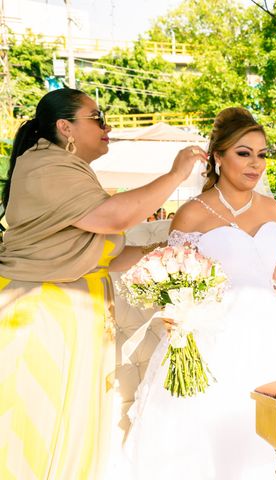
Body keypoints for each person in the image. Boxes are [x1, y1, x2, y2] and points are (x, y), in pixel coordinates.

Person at [122, 107, 276, 479]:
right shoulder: (192, 214)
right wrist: (179, 324)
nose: (256, 164)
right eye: (244, 153)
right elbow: (175, 283)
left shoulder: (271, 208)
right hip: (215, 340)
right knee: (225, 439)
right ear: (217, 157)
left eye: (262, 154)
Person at [0, 88, 205, 480]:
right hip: (42, 315)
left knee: (76, 421)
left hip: (77, 314)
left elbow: (101, 252)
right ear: (66, 127)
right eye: (97, 117)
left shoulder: (69, 169)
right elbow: (113, 219)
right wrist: (176, 175)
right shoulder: (44, 167)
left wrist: (164, 253)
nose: (108, 126)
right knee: (38, 426)